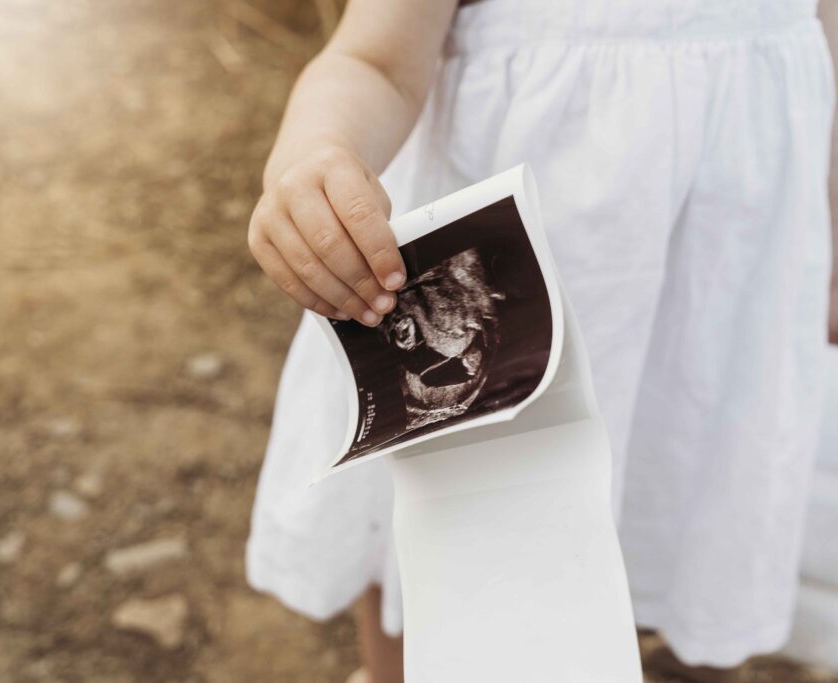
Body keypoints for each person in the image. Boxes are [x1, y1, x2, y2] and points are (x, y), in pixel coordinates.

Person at [244, 0, 838, 681]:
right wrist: (315, 155)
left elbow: (819, 41)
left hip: (723, 290)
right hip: (511, 290)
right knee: (450, 523)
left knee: (679, 495)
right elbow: (375, 61)